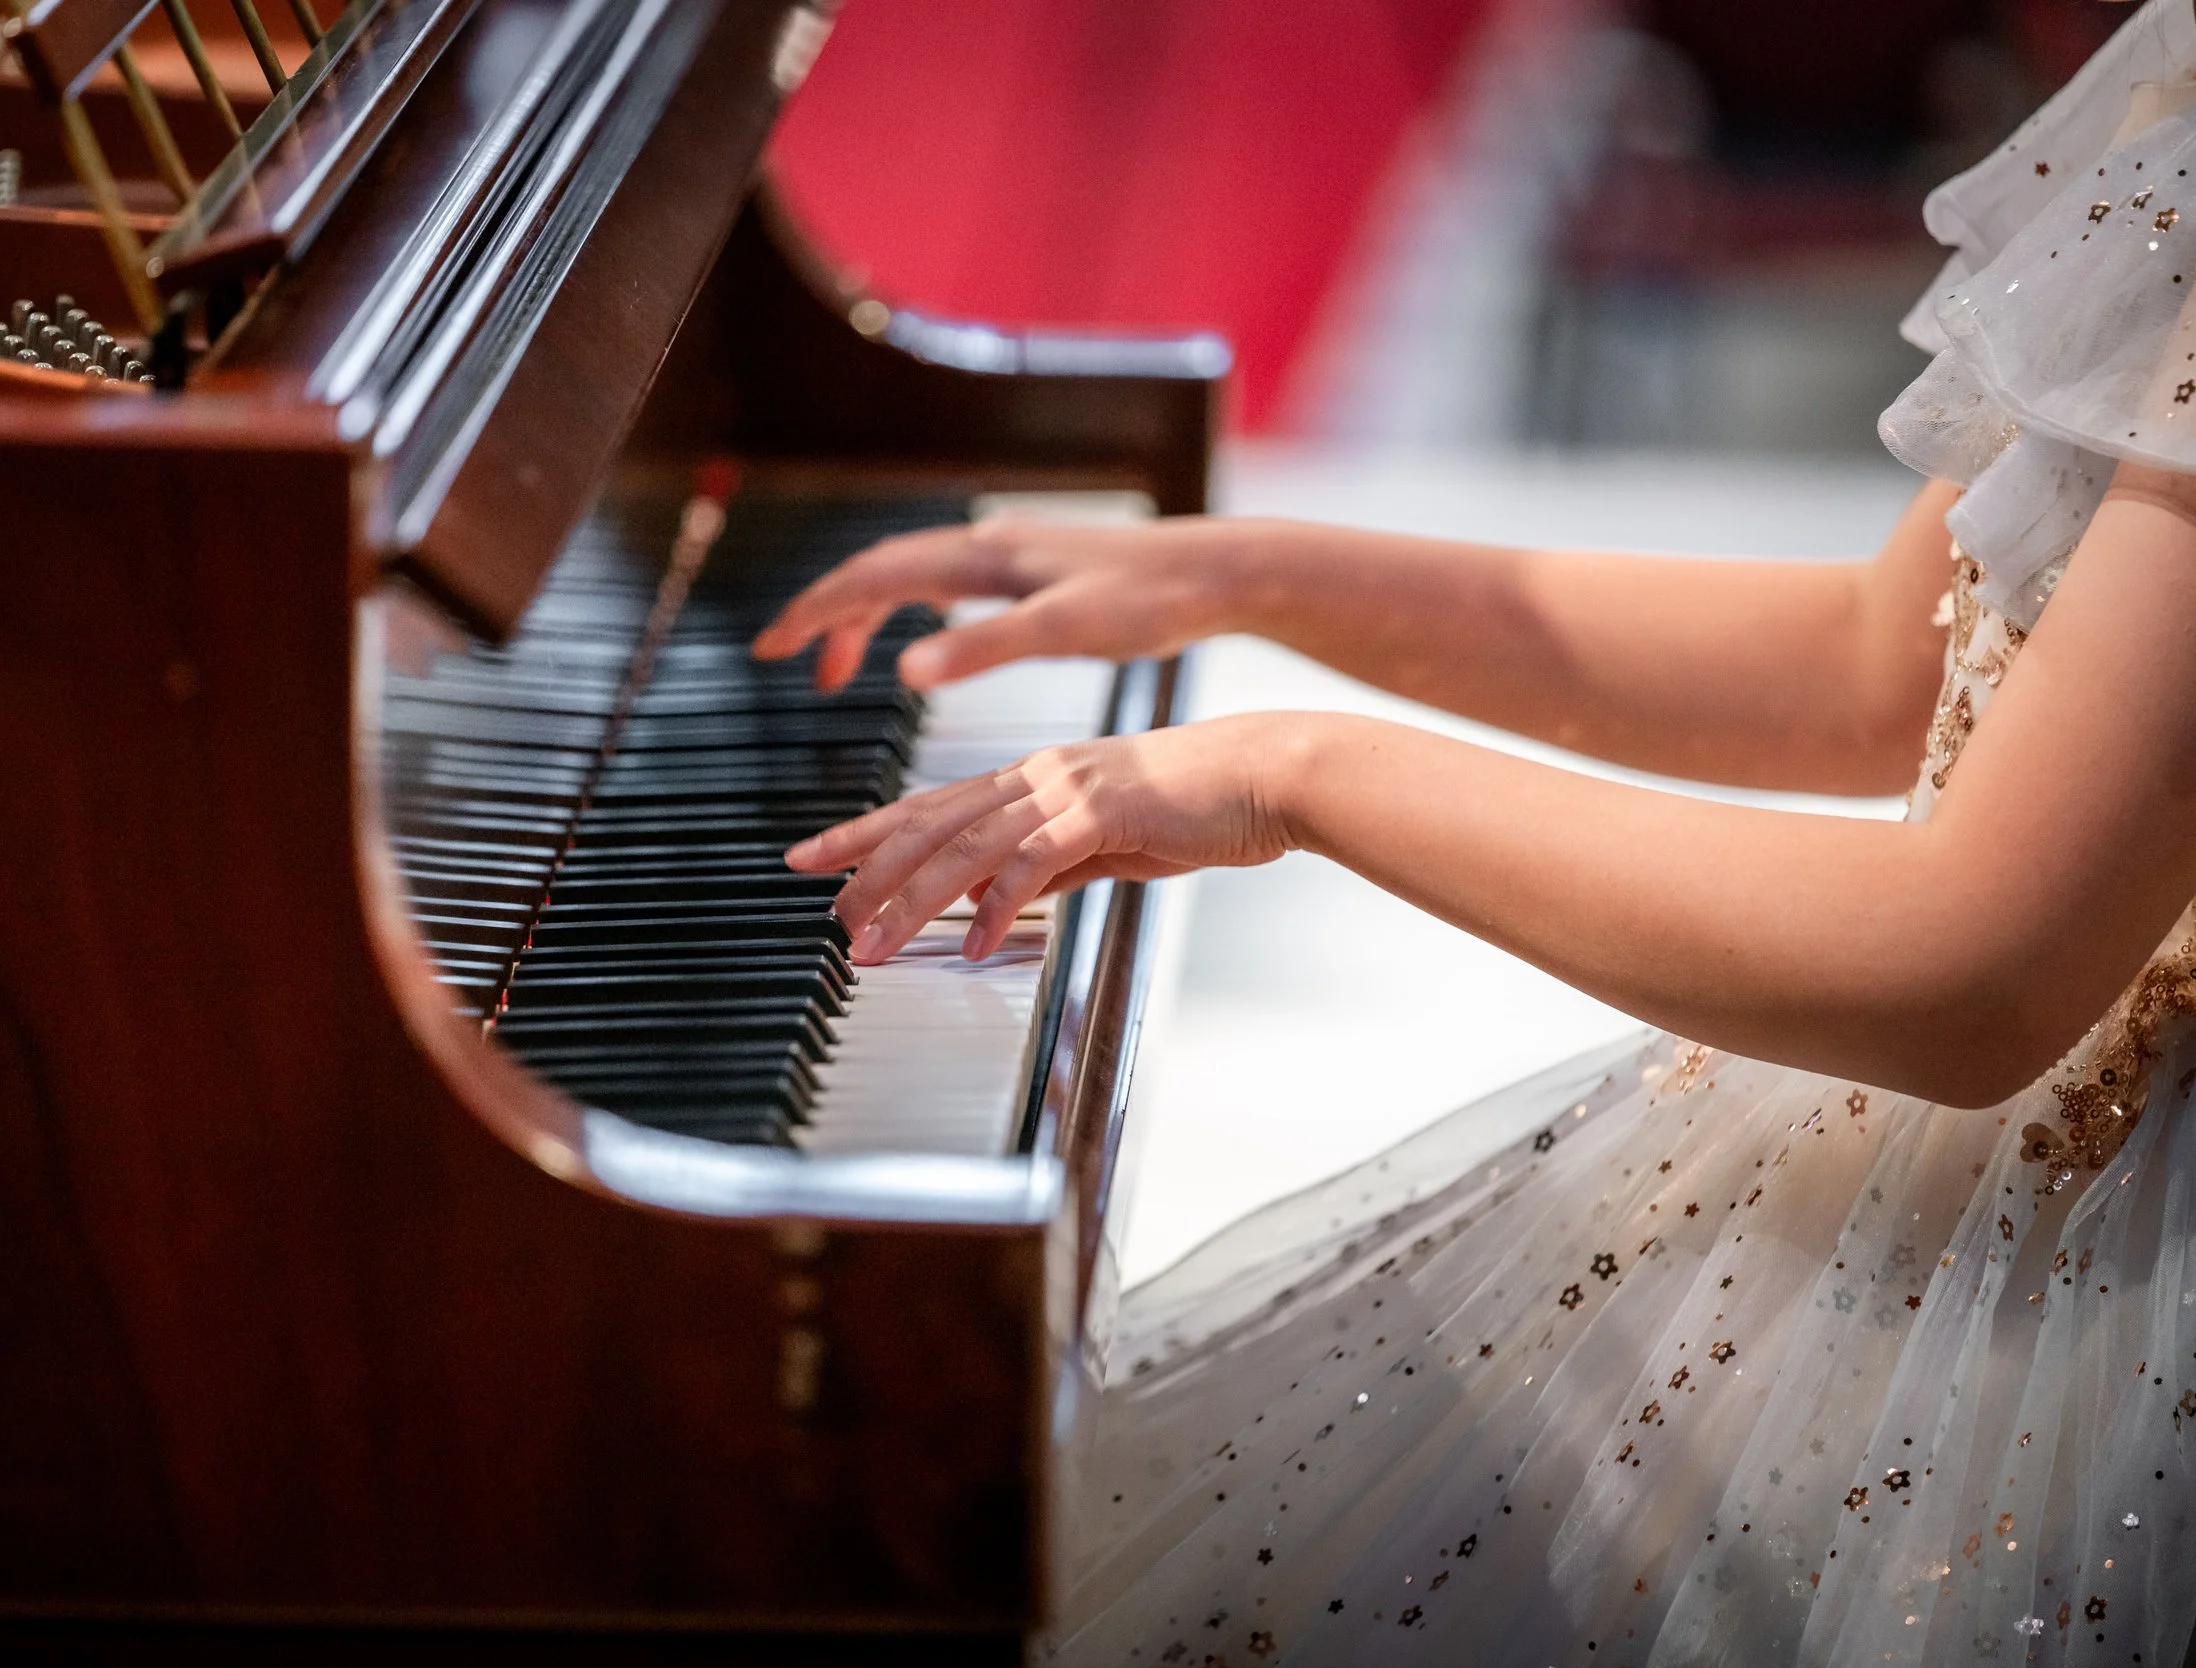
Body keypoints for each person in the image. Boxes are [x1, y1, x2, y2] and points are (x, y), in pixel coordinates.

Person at [752, 4, 2196, 1663]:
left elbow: (1974, 972)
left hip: (2087, 1323)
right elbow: (1881, 666)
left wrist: (1293, 775)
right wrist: (1241, 573)